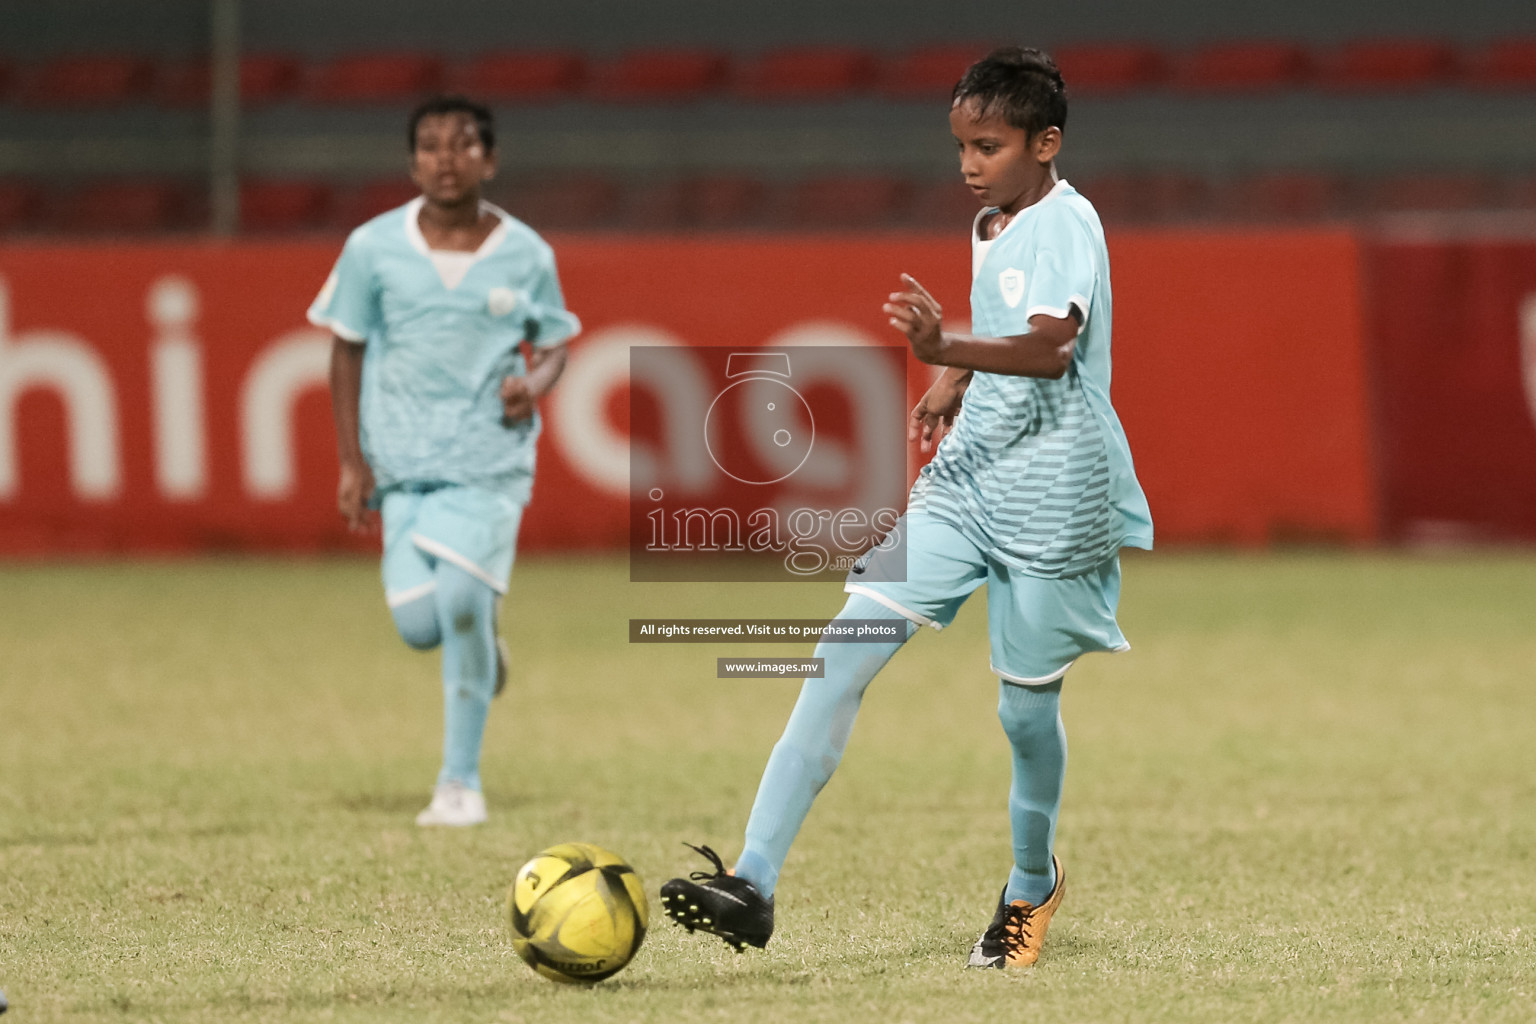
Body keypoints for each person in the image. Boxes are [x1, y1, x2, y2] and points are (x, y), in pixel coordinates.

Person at [660, 46, 1152, 967]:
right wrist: (953, 378)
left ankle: (1030, 887)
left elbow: (1051, 349)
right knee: (839, 653)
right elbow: (1005, 325)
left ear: (1046, 144)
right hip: (965, 484)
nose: (969, 164)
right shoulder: (997, 221)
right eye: (962, 144)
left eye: (989, 146)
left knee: (1023, 717)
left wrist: (946, 343)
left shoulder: (1069, 225)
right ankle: (754, 879)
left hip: (1056, 498)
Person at [311, 95, 581, 827]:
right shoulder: (373, 247)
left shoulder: (526, 252)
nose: (446, 158)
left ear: (489, 159)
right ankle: (485, 654)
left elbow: (555, 342)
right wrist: (351, 462)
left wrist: (536, 383)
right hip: (400, 464)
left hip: (488, 460)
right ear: (412, 162)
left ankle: (458, 784)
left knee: (462, 601)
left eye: (463, 144)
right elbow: (346, 345)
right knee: (421, 627)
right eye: (430, 146)